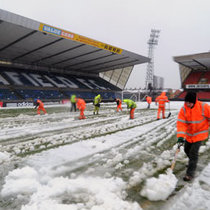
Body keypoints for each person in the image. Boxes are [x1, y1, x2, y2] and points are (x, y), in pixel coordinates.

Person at [177, 91, 210, 181]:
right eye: (186, 102)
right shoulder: (183, 109)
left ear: (194, 102)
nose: (187, 104)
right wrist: (180, 136)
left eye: (189, 103)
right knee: (186, 150)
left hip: (200, 135)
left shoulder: (203, 107)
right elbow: (181, 123)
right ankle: (192, 162)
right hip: (189, 135)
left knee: (193, 153)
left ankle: (190, 174)